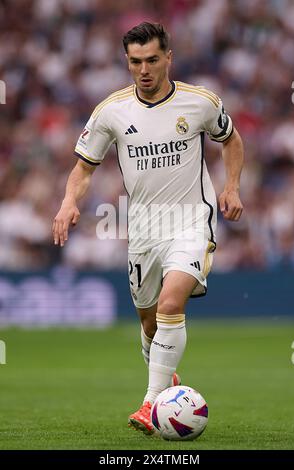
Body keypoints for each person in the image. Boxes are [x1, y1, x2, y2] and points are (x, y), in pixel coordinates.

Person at [53, 22, 244, 435]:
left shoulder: (200, 102)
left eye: (152, 60)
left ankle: (150, 403)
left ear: (168, 57)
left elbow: (231, 140)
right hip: (142, 228)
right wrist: (69, 202)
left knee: (171, 305)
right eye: (136, 62)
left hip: (191, 221)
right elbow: (83, 168)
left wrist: (231, 187)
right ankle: (166, 378)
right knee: (149, 321)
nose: (144, 69)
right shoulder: (111, 112)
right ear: (127, 62)